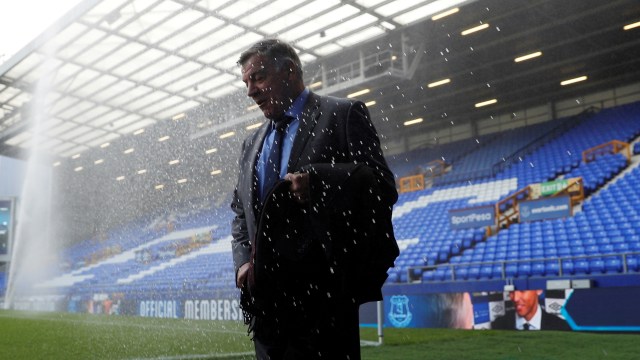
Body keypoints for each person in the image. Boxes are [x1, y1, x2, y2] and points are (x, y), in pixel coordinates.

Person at [230, 39, 398, 360]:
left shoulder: (342, 114)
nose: (251, 90)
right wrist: (242, 263)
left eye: (259, 77)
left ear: (290, 71)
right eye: (247, 82)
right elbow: (240, 213)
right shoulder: (251, 144)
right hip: (266, 305)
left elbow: (381, 186)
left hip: (324, 303)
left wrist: (320, 182)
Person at [491, 289, 571, 331]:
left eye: (522, 290)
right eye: (511, 292)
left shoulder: (561, 327)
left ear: (538, 290)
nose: (515, 298)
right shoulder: (498, 325)